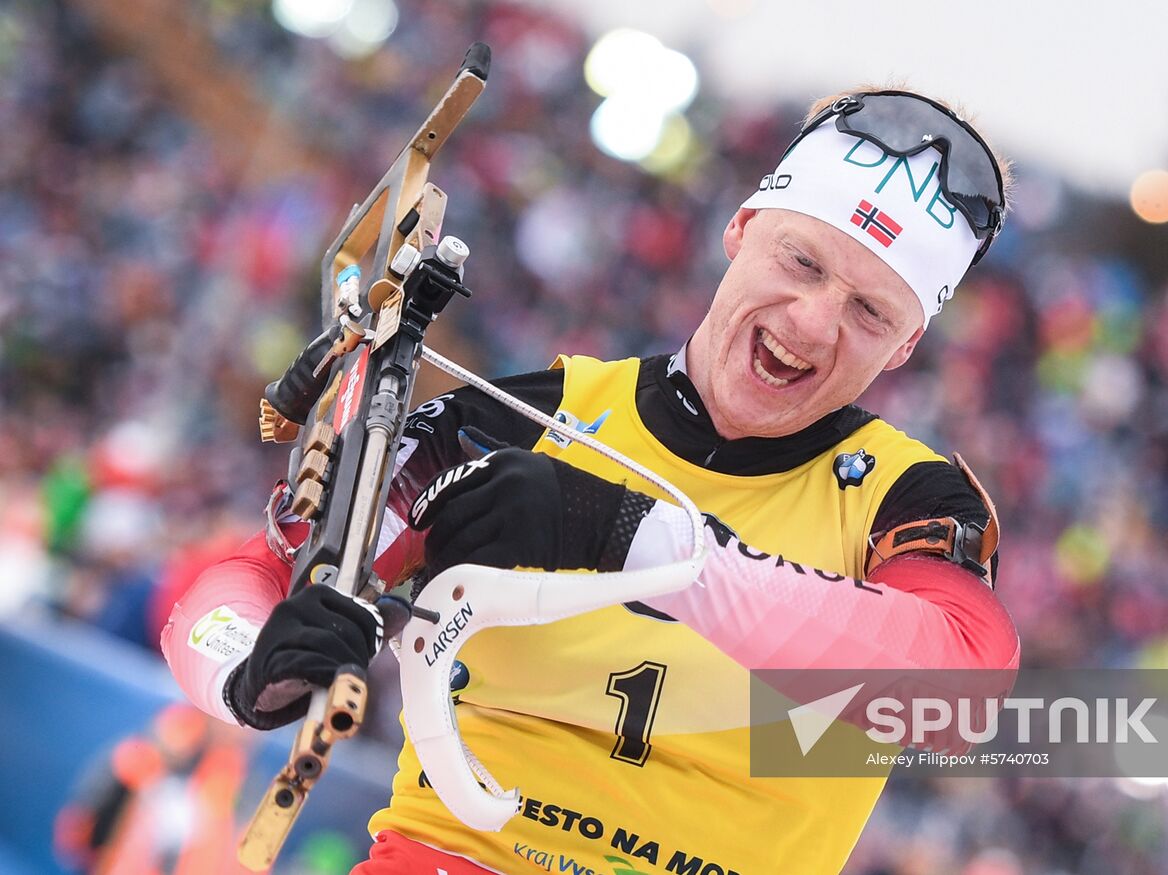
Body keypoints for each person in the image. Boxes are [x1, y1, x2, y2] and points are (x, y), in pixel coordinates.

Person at [161, 88, 1021, 874]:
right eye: (802, 263)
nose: (813, 322)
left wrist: (624, 530)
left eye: (872, 312)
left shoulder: (907, 497)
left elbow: (957, 693)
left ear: (906, 345)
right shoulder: (525, 418)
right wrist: (250, 668)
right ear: (742, 227)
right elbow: (242, 584)